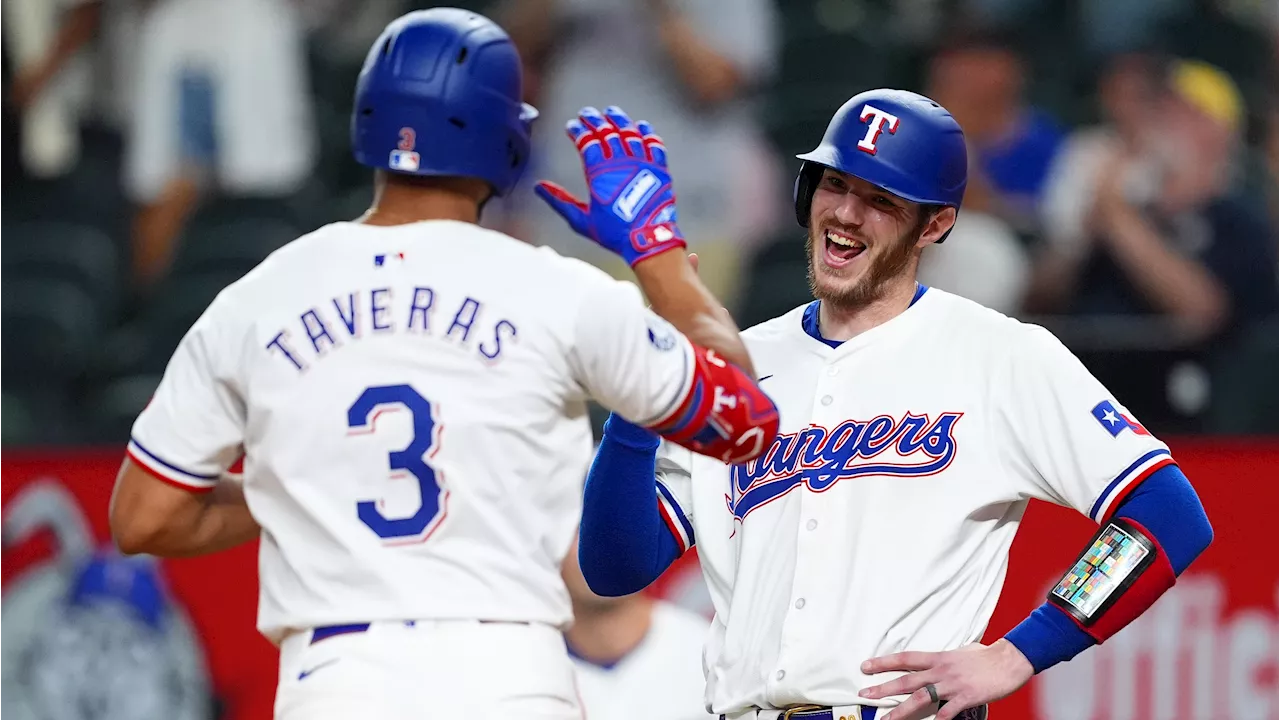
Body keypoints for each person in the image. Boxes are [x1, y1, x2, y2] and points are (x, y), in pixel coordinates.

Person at [105, 8, 779, 720]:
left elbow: (144, 518)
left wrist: (308, 482)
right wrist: (657, 253)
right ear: (508, 138)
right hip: (508, 679)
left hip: (335, 683)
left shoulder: (257, 299)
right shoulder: (560, 291)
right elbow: (745, 425)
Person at [565, 88, 1215, 720]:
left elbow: (1170, 514)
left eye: (880, 200)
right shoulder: (734, 365)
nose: (846, 214)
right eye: (835, 184)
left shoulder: (998, 355)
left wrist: (1019, 653)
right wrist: (643, 378)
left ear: (934, 224)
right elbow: (614, 567)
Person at [561, 532, 715, 720]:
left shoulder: (705, 649)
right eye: (579, 532)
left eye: (612, 530)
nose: (598, 549)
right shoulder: (527, 660)